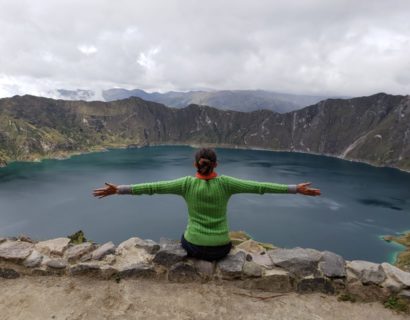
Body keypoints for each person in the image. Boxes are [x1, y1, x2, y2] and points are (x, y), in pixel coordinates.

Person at [93, 148, 321, 261]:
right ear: (216, 164)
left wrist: (119, 190)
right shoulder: (227, 184)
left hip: (193, 246)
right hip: (221, 248)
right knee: (229, 237)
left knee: (184, 233)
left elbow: (152, 188)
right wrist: (294, 189)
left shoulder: (185, 184)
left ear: (195, 165)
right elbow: (260, 187)